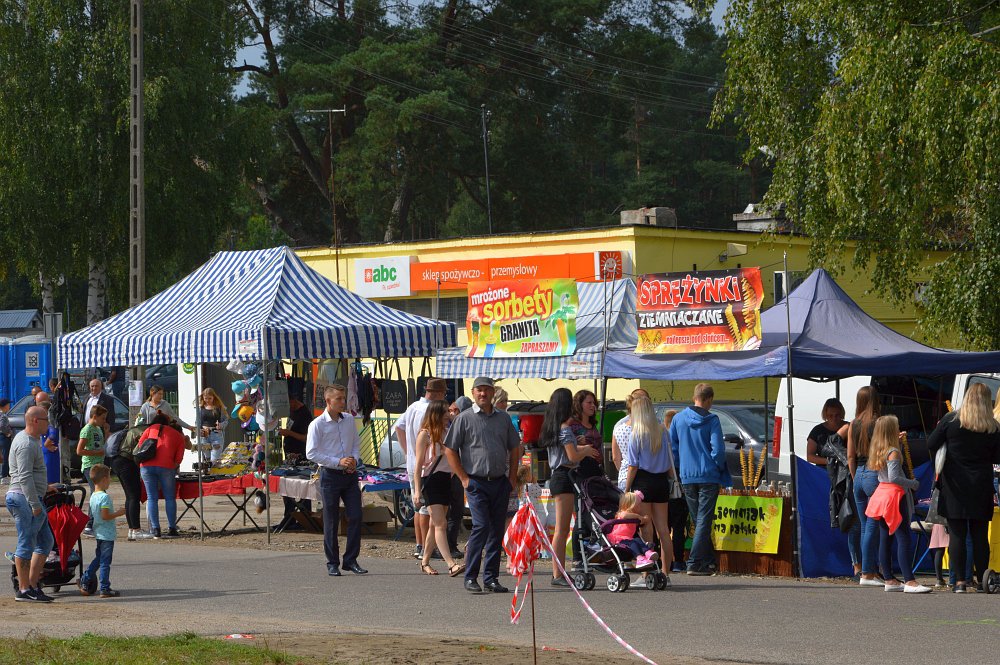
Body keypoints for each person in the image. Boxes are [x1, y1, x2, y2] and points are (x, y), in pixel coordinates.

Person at [444, 377, 520, 594]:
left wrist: (512, 477)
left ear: (492, 392)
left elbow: (515, 447)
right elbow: (450, 449)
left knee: (496, 530)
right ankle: (471, 576)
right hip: (476, 482)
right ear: (473, 392)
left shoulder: (503, 418)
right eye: (479, 390)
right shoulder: (464, 419)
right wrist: (463, 478)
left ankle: (491, 578)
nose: (483, 394)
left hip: (499, 482)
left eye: (487, 390)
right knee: (481, 527)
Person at [928, 382, 1000, 593]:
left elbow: (931, 444)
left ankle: (959, 581)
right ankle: (983, 580)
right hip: (981, 484)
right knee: (979, 534)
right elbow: (997, 457)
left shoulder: (951, 420)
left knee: (957, 534)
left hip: (954, 484)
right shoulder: (993, 427)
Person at [540, 387, 603, 587]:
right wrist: (584, 449)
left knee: (562, 527)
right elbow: (572, 456)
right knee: (562, 528)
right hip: (564, 475)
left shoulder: (553, 426)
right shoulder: (565, 427)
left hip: (559, 475)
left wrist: (578, 444)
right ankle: (558, 573)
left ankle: (559, 572)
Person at [863, 415, 931, 593]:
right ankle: (910, 580)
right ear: (891, 430)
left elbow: (886, 474)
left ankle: (889, 578)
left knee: (886, 538)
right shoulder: (893, 451)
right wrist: (913, 483)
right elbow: (894, 477)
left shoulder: (878, 448)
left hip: (881, 495)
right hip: (894, 496)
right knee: (903, 537)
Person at [307, 385, 368, 577]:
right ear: (328, 401)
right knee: (331, 520)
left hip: (349, 475)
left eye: (344, 398)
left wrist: (354, 460)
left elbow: (356, 443)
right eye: (339, 399)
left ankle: (350, 560)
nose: (343, 402)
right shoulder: (317, 424)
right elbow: (311, 452)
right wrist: (337, 461)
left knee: (356, 516)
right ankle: (332, 561)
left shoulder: (349, 420)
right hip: (330, 475)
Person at [670, 383, 729, 576]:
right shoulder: (712, 420)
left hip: (687, 476)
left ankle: (708, 562)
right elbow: (718, 449)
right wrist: (718, 466)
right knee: (703, 520)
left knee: (699, 519)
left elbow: (674, 449)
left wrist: (680, 468)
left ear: (694, 396)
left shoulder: (678, 419)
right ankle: (694, 562)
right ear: (709, 399)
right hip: (708, 474)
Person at [4, 406, 55, 602]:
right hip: (23, 499)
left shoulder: (33, 440)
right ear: (35, 421)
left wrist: (45, 488)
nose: (48, 424)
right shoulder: (25, 443)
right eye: (45, 420)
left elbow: (31, 474)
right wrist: (35, 504)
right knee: (26, 543)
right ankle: (24, 590)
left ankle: (33, 586)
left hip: (31, 498)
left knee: (45, 542)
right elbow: (24, 477)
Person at [395, 378, 448, 560]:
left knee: (419, 507)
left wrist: (406, 451)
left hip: (414, 462)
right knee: (428, 509)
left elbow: (398, 427)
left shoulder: (413, 406)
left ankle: (420, 545)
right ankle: (427, 547)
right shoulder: (429, 410)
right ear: (439, 394)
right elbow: (428, 438)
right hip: (428, 466)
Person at [625, 395, 676, 579]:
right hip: (661, 481)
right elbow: (671, 461)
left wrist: (626, 488)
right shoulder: (662, 431)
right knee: (663, 529)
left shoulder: (636, 434)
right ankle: (665, 573)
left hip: (643, 482)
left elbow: (633, 465)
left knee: (645, 528)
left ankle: (647, 573)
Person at [808, 398, 861, 576]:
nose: (834, 419)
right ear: (825, 414)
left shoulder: (849, 427)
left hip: (846, 477)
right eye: (830, 415)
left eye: (837, 415)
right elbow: (810, 456)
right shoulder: (817, 431)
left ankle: (858, 563)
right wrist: (832, 461)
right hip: (824, 476)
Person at [414, 400, 465, 577]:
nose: (448, 415)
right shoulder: (425, 435)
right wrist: (416, 490)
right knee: (441, 524)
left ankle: (425, 561)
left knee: (433, 525)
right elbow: (418, 464)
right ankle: (451, 564)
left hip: (445, 479)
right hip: (431, 480)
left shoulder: (446, 431)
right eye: (445, 412)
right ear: (436, 413)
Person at [840, 386, 881, 587]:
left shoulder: (853, 424)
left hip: (860, 474)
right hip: (874, 472)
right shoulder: (878, 423)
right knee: (875, 525)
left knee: (865, 525)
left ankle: (867, 571)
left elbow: (850, 456)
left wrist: (856, 477)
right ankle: (870, 572)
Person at [78, 464, 124, 598]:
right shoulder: (104, 497)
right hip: (107, 534)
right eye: (109, 478)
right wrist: (118, 513)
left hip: (98, 531)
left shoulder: (93, 496)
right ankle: (104, 587)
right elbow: (105, 516)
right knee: (105, 562)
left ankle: (86, 578)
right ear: (104, 479)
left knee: (99, 559)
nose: (110, 481)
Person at [137, 413, 187, 539]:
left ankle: (156, 529)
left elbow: (140, 447)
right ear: (168, 422)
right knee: (170, 498)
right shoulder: (177, 435)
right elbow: (179, 458)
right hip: (167, 467)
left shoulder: (149, 430)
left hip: (146, 466)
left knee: (151, 498)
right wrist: (172, 465)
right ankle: (172, 528)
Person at [113, 420, 154, 540]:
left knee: (130, 497)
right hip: (127, 463)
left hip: (118, 461)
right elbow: (139, 451)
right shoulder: (147, 431)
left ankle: (132, 529)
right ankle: (136, 530)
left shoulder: (136, 429)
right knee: (134, 497)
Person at [446, 396, 474, 559]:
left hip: (456, 472)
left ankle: (450, 544)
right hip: (449, 472)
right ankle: (446, 545)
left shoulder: (458, 423)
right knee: (448, 511)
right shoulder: (452, 424)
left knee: (455, 510)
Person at [77, 405, 109, 537]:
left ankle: (97, 521)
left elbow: (100, 444)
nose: (104, 420)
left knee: (100, 493)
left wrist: (106, 432)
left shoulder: (98, 428)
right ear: (94, 417)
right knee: (96, 493)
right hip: (90, 466)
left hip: (98, 464)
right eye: (102, 418)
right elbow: (79, 451)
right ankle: (89, 524)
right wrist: (96, 452)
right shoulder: (87, 430)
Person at [608, 491, 661, 569]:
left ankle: (647, 552)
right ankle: (639, 558)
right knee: (634, 543)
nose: (640, 507)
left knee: (638, 541)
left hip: (628, 539)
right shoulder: (622, 513)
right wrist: (638, 516)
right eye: (638, 505)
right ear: (631, 506)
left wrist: (644, 519)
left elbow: (641, 521)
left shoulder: (633, 517)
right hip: (619, 539)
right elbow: (625, 515)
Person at [663, 409, 688, 572]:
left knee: (664, 526)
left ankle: (665, 561)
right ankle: (678, 560)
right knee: (679, 525)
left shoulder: (662, 440)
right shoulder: (679, 442)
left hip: (663, 485)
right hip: (678, 484)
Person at [612, 388, 650, 490]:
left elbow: (616, 457)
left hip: (625, 476)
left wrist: (625, 472)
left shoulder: (620, 425)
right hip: (648, 476)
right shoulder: (654, 424)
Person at [195, 388, 229, 462]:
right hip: (204, 435)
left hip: (216, 435)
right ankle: (209, 472)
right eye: (205, 398)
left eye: (210, 398)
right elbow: (197, 422)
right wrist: (199, 430)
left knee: (214, 460)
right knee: (207, 460)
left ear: (214, 397)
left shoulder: (220, 407)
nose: (207, 400)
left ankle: (212, 472)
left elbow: (226, 420)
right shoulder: (200, 408)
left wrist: (221, 425)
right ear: (203, 398)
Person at [0, 398, 13, 483]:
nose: (9, 406)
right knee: (5, 456)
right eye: (8, 405)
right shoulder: (3, 415)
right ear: (4, 406)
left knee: (2, 455)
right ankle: (3, 476)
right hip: (4, 438)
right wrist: (8, 433)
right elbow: (1, 425)